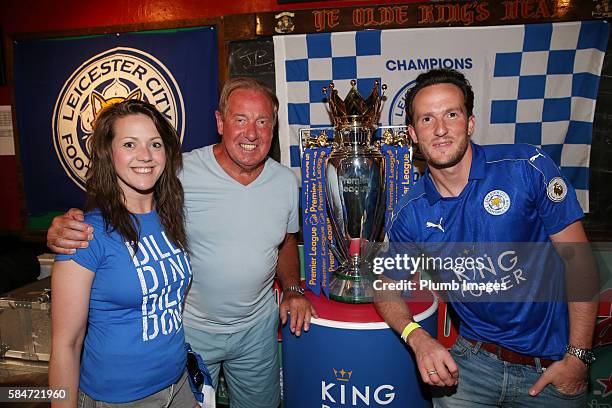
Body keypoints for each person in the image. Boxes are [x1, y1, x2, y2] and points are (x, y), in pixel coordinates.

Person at [47, 77, 316, 408]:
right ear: (220, 121)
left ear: (274, 127)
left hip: (255, 330)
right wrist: (63, 226)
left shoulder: (286, 181)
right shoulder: (178, 172)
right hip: (191, 331)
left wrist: (292, 288)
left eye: (262, 121)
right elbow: (118, 204)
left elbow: (286, 241)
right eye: (240, 119)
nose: (251, 133)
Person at [374, 68, 597, 407]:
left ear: (471, 122)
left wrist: (578, 357)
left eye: (451, 114)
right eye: (426, 119)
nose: (441, 130)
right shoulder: (411, 211)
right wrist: (417, 338)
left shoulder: (526, 168)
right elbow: (384, 284)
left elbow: (579, 261)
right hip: (472, 365)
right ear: (412, 134)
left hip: (552, 366)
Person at [48, 100, 195, 407]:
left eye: (155, 144)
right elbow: (66, 345)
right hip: (119, 398)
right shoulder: (85, 234)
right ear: (108, 153)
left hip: (178, 383)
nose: (145, 155)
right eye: (130, 144)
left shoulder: (171, 217)